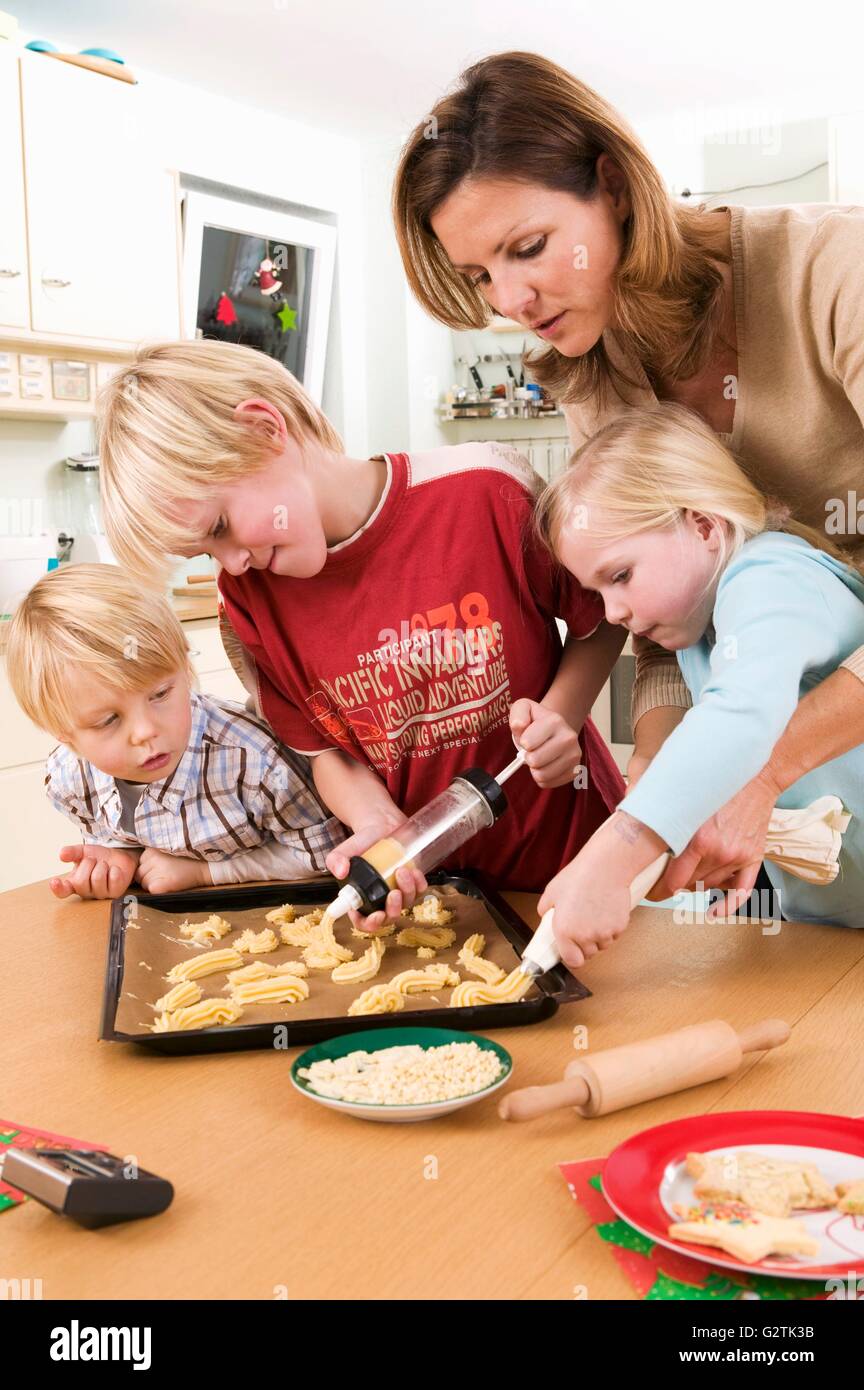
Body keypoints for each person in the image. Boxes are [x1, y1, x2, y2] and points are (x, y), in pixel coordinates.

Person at [392, 48, 864, 907]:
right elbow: (660, 632)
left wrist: (753, 774)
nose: (512, 299)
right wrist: (654, 781)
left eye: (528, 248)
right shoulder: (598, 377)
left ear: (613, 186)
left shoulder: (836, 274)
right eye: (480, 276)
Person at [96, 339, 627, 928]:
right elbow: (324, 752)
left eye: (220, 526)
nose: (232, 561)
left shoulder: (484, 490)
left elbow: (601, 616)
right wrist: (379, 827)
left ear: (266, 430)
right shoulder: (246, 602)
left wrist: (563, 714)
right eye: (205, 551)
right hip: (433, 908)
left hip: (579, 868)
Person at [532, 404, 864, 968]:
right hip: (831, 923)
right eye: (598, 593)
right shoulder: (699, 627)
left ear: (704, 525)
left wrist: (616, 853)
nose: (612, 612)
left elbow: (740, 714)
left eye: (620, 576)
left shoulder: (771, 577)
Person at [5, 563, 346, 899]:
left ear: (185, 666)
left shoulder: (257, 763)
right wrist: (120, 857)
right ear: (63, 733)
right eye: (109, 720)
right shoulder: (69, 779)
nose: (144, 732)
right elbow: (120, 839)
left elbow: (325, 853)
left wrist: (203, 874)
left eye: (160, 694)